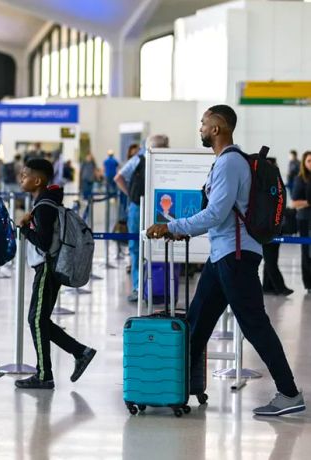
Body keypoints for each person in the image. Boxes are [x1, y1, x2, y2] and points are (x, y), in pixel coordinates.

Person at [147, 104, 305, 416]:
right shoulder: (226, 162)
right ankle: (176, 388)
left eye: (204, 123)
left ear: (217, 128)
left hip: (235, 257)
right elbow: (221, 216)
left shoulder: (230, 163)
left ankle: (289, 393)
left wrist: (173, 226)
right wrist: (184, 231)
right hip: (223, 256)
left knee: (255, 325)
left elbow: (216, 213)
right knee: (196, 323)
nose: (201, 128)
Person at [14, 158, 97, 390]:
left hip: (47, 267)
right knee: (39, 319)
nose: (21, 178)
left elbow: (42, 241)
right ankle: (81, 352)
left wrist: (23, 229)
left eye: (25, 175)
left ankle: (44, 375)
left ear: (38, 180)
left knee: (36, 319)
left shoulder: (43, 206)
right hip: (50, 266)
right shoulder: (47, 202)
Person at [115, 135, 169, 302]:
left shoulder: (137, 160)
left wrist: (131, 196)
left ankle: (139, 288)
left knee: (136, 248)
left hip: (137, 206)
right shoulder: (166, 161)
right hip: (160, 208)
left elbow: (118, 177)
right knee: (161, 246)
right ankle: (158, 288)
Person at [262, 158, 293, 296]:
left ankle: (267, 286)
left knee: (271, 257)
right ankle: (280, 287)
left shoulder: (275, 184)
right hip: (268, 226)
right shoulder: (264, 185)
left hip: (275, 225)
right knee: (270, 259)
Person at [291, 150, 311, 294]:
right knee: (307, 253)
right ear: (304, 163)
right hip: (305, 220)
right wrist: (309, 202)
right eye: (309, 161)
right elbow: (294, 203)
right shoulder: (300, 179)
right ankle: (309, 284)